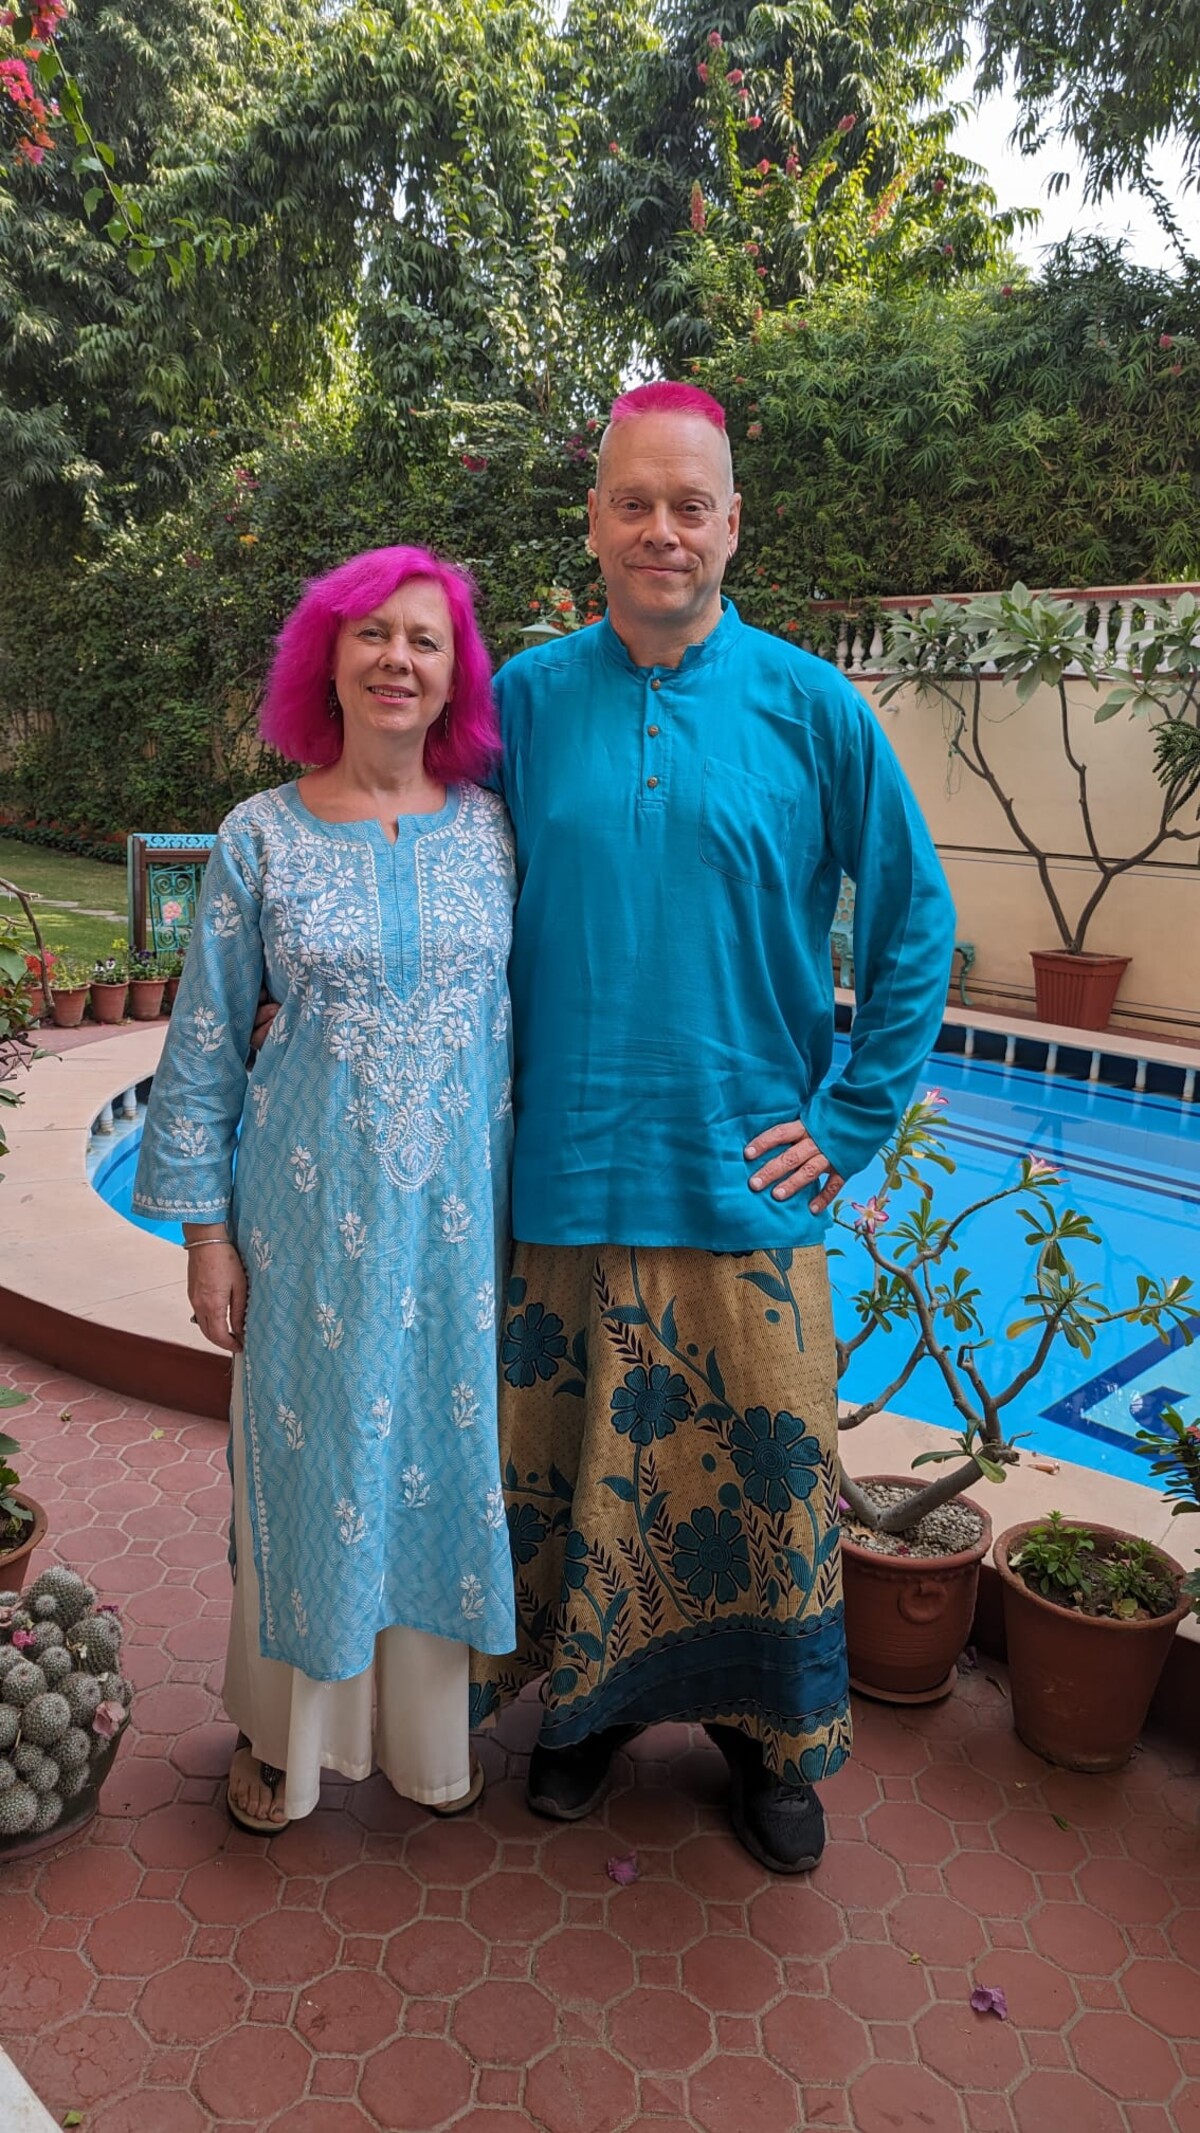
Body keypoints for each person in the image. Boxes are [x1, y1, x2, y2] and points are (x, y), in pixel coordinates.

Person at [467, 381, 958, 1874]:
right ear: (597, 520)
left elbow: (917, 918)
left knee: (760, 1475)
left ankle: (765, 1742)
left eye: (693, 504)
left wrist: (852, 1111)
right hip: (564, 1174)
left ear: (735, 521)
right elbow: (425, 872)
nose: (664, 530)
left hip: (749, 1187)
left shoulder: (815, 709)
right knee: (564, 1467)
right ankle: (588, 1716)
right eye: (636, 502)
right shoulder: (527, 702)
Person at [134, 545, 517, 1834]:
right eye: (373, 635)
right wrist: (204, 1234)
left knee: (440, 1460)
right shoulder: (260, 837)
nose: (398, 659)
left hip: (460, 1233)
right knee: (311, 1468)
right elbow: (201, 1048)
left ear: (455, 670)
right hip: (306, 1227)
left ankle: (427, 1748)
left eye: (425, 639)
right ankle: (285, 1749)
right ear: (329, 660)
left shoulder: (497, 827)